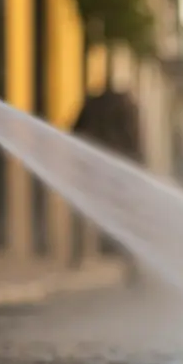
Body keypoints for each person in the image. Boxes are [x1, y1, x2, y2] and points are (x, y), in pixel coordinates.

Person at [70, 89, 143, 276]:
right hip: (117, 169)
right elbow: (135, 141)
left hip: (96, 168)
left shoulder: (93, 105)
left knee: (84, 210)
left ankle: (78, 255)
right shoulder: (127, 109)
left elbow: (75, 132)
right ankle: (131, 263)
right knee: (123, 217)